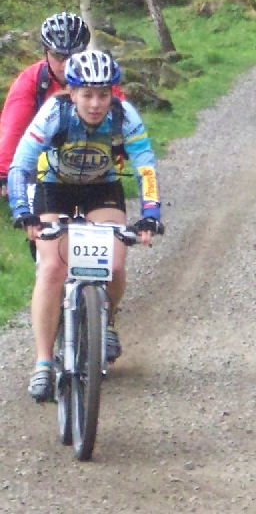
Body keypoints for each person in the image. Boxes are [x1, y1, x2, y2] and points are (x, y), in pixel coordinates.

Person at [7, 49, 163, 402]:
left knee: (116, 262)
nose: (95, 104)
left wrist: (151, 213)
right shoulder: (54, 113)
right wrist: (22, 210)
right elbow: (21, 163)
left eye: (103, 94)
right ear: (72, 93)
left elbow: (146, 167)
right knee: (51, 268)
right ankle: (44, 362)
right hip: (54, 189)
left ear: (113, 94)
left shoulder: (125, 116)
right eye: (87, 95)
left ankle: (105, 319)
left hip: (101, 189)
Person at [0, 12, 127, 196]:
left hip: (96, 163)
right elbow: (12, 132)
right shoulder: (30, 82)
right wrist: (5, 177)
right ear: (46, 52)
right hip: (42, 165)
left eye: (75, 54)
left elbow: (125, 124)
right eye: (59, 55)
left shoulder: (101, 78)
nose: (66, 62)